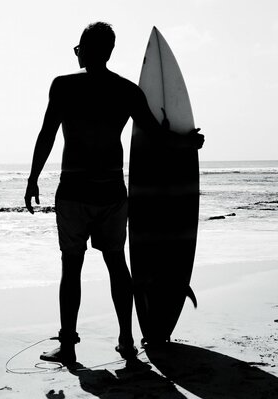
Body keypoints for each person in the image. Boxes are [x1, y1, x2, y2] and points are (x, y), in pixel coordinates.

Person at [24, 22, 204, 367]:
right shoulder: (126, 91)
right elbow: (155, 135)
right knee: (117, 264)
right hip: (110, 192)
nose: (77, 54)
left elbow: (47, 133)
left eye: (79, 48)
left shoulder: (63, 86)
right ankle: (126, 340)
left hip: (75, 191)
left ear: (89, 51)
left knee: (71, 268)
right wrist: (187, 143)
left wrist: (33, 177)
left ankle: (68, 345)